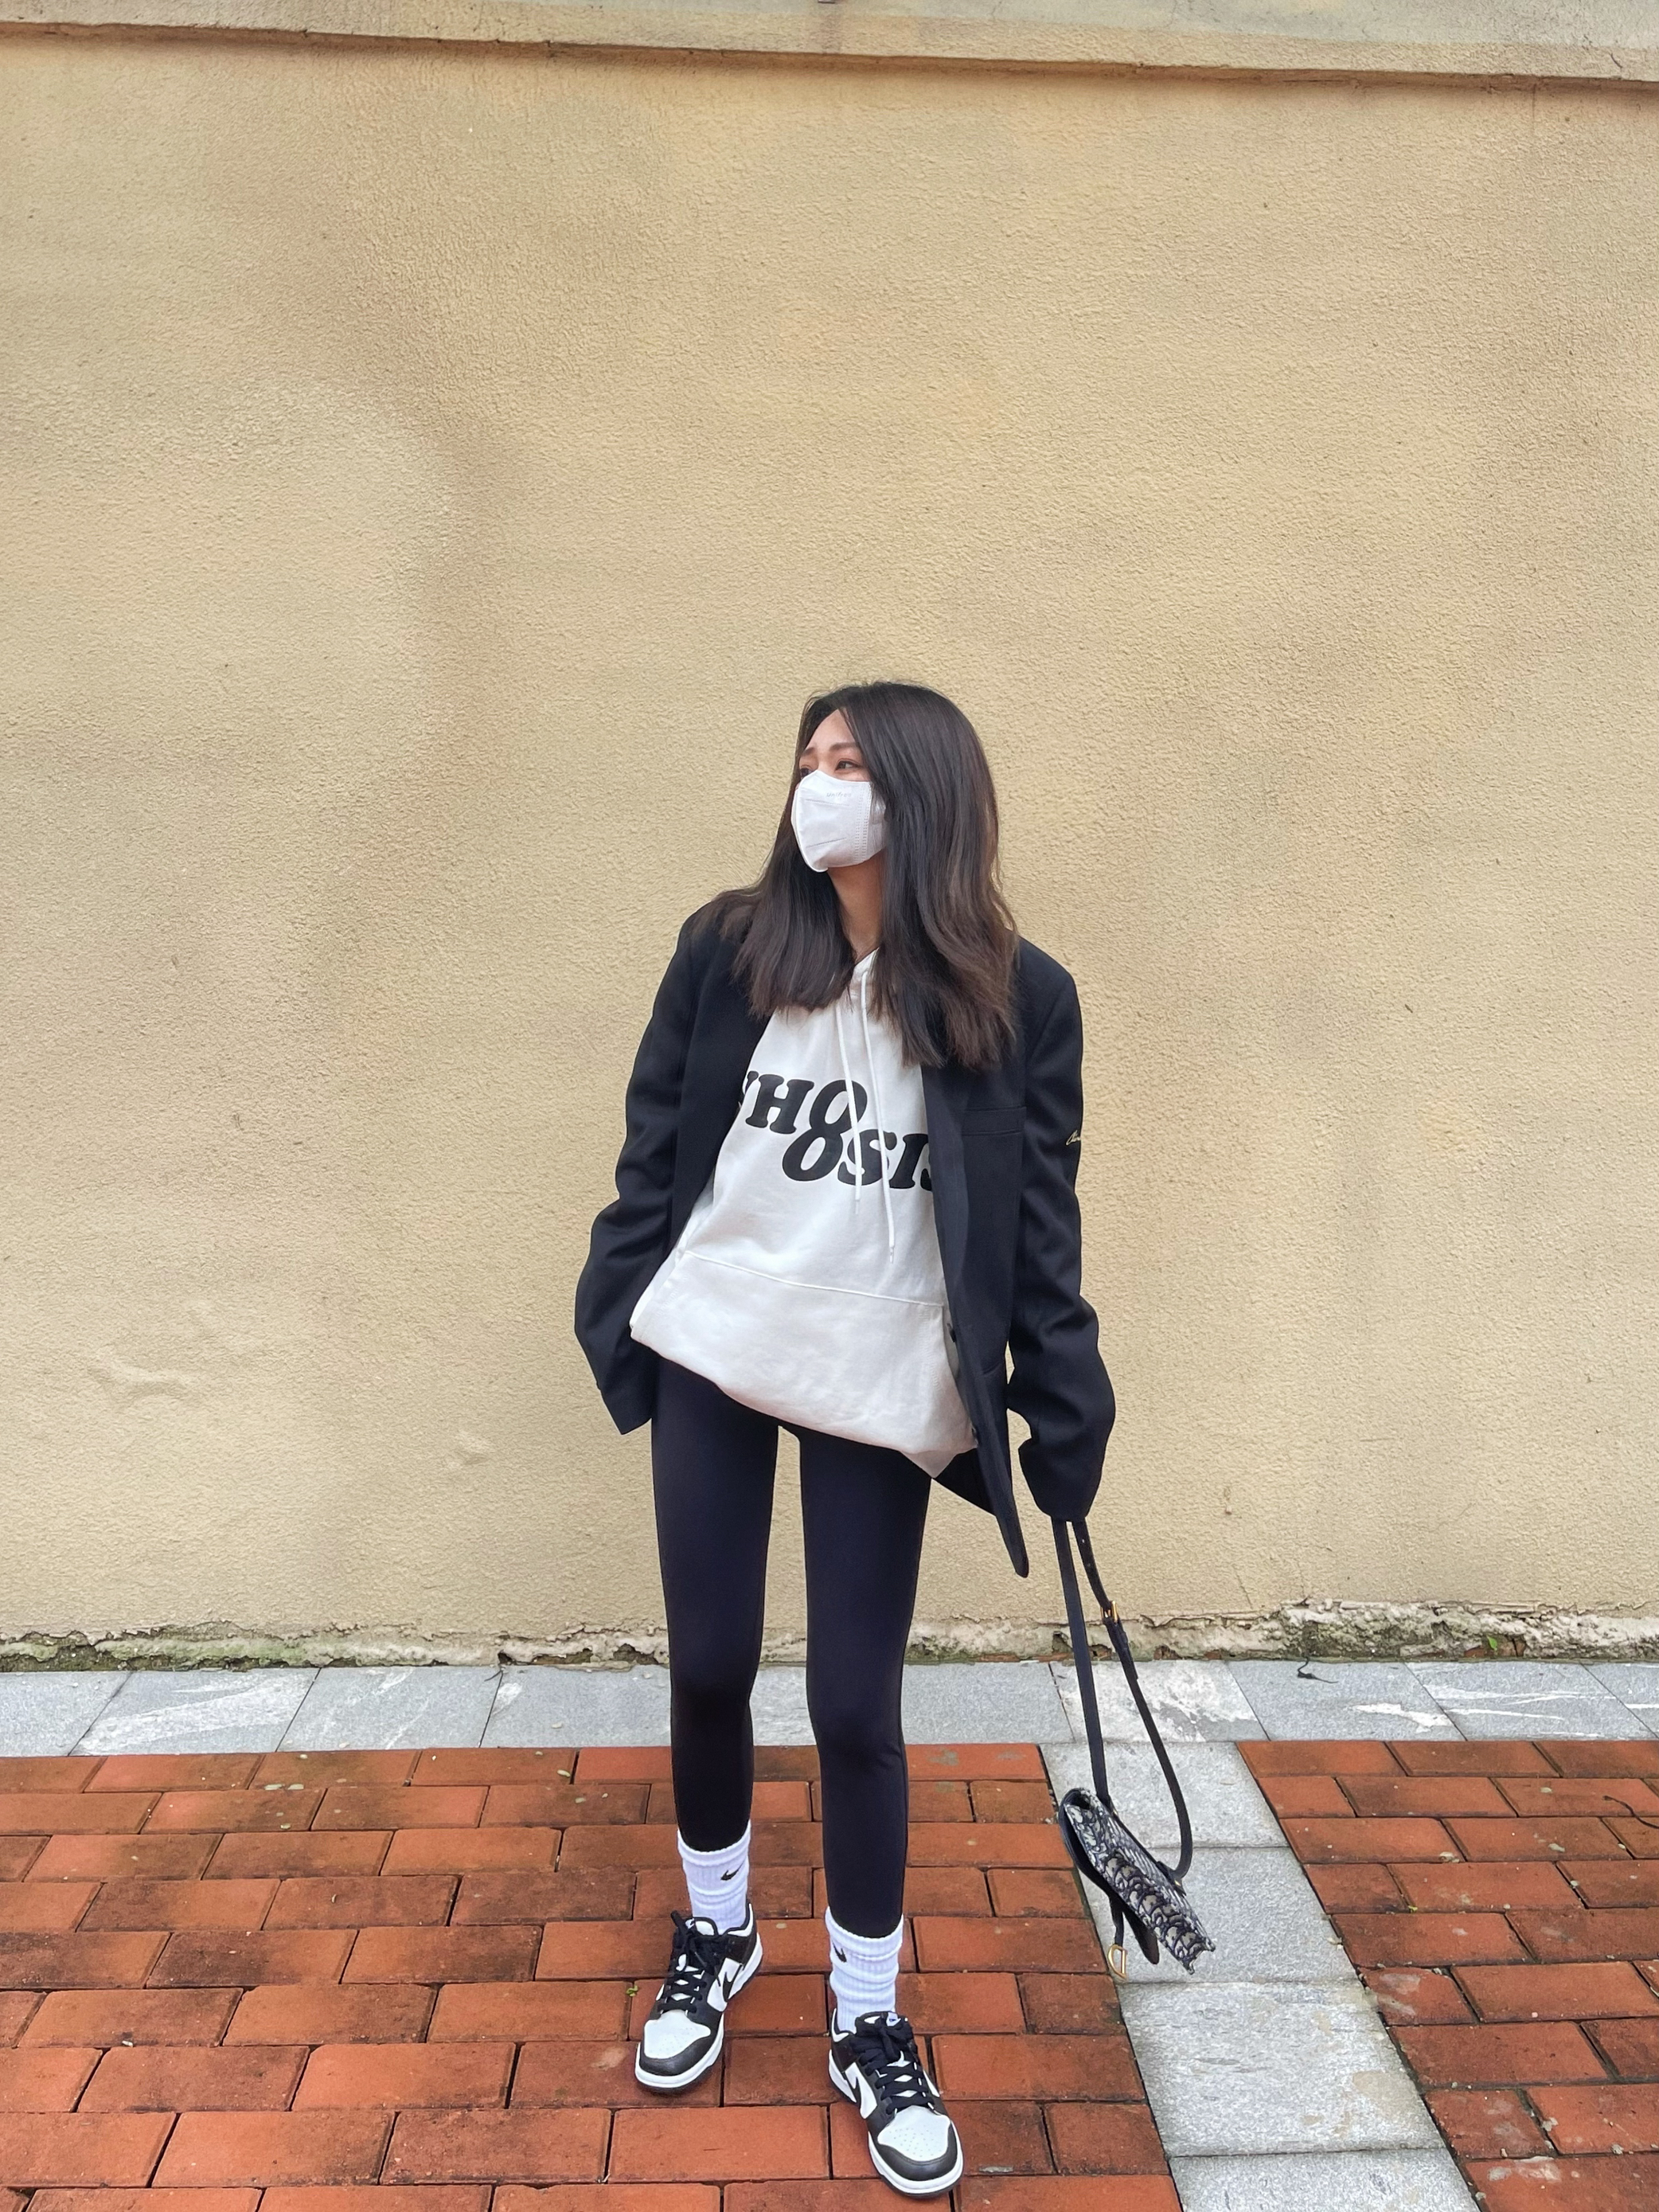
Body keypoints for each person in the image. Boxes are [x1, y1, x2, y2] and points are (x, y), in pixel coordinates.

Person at [575, 681, 1114, 2198]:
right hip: (719, 1344)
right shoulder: (732, 949)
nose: (821, 787)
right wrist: (619, 1294)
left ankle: (869, 2014)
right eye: (808, 760)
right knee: (707, 1663)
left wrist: (1063, 1396)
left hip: (879, 1374)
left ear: (924, 793)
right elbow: (655, 1140)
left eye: (852, 763)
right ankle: (718, 1928)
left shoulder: (1017, 995)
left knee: (855, 1705)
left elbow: (1038, 1225)